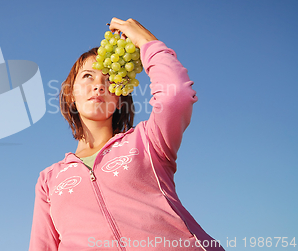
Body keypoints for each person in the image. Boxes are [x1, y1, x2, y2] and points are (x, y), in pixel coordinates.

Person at [28, 18, 225, 251]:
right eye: (88, 76)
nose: (99, 85)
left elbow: (177, 96)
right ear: (70, 94)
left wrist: (145, 41)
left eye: (109, 80)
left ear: (119, 98)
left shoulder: (148, 141)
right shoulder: (49, 180)